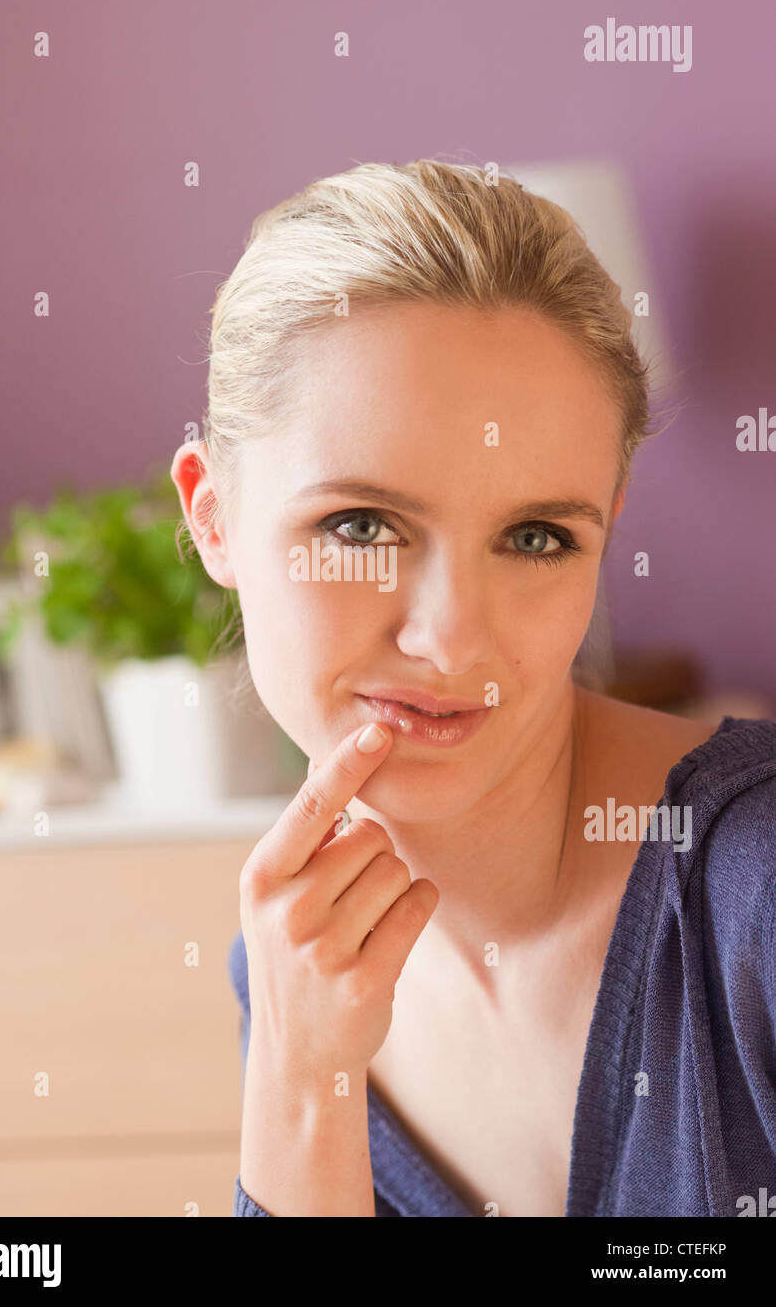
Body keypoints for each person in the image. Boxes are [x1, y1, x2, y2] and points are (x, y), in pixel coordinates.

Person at [170, 159, 776, 1217]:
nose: (449, 641)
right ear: (212, 517)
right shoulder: (296, 959)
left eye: (534, 537)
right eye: (359, 527)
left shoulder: (752, 897)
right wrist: (302, 1087)